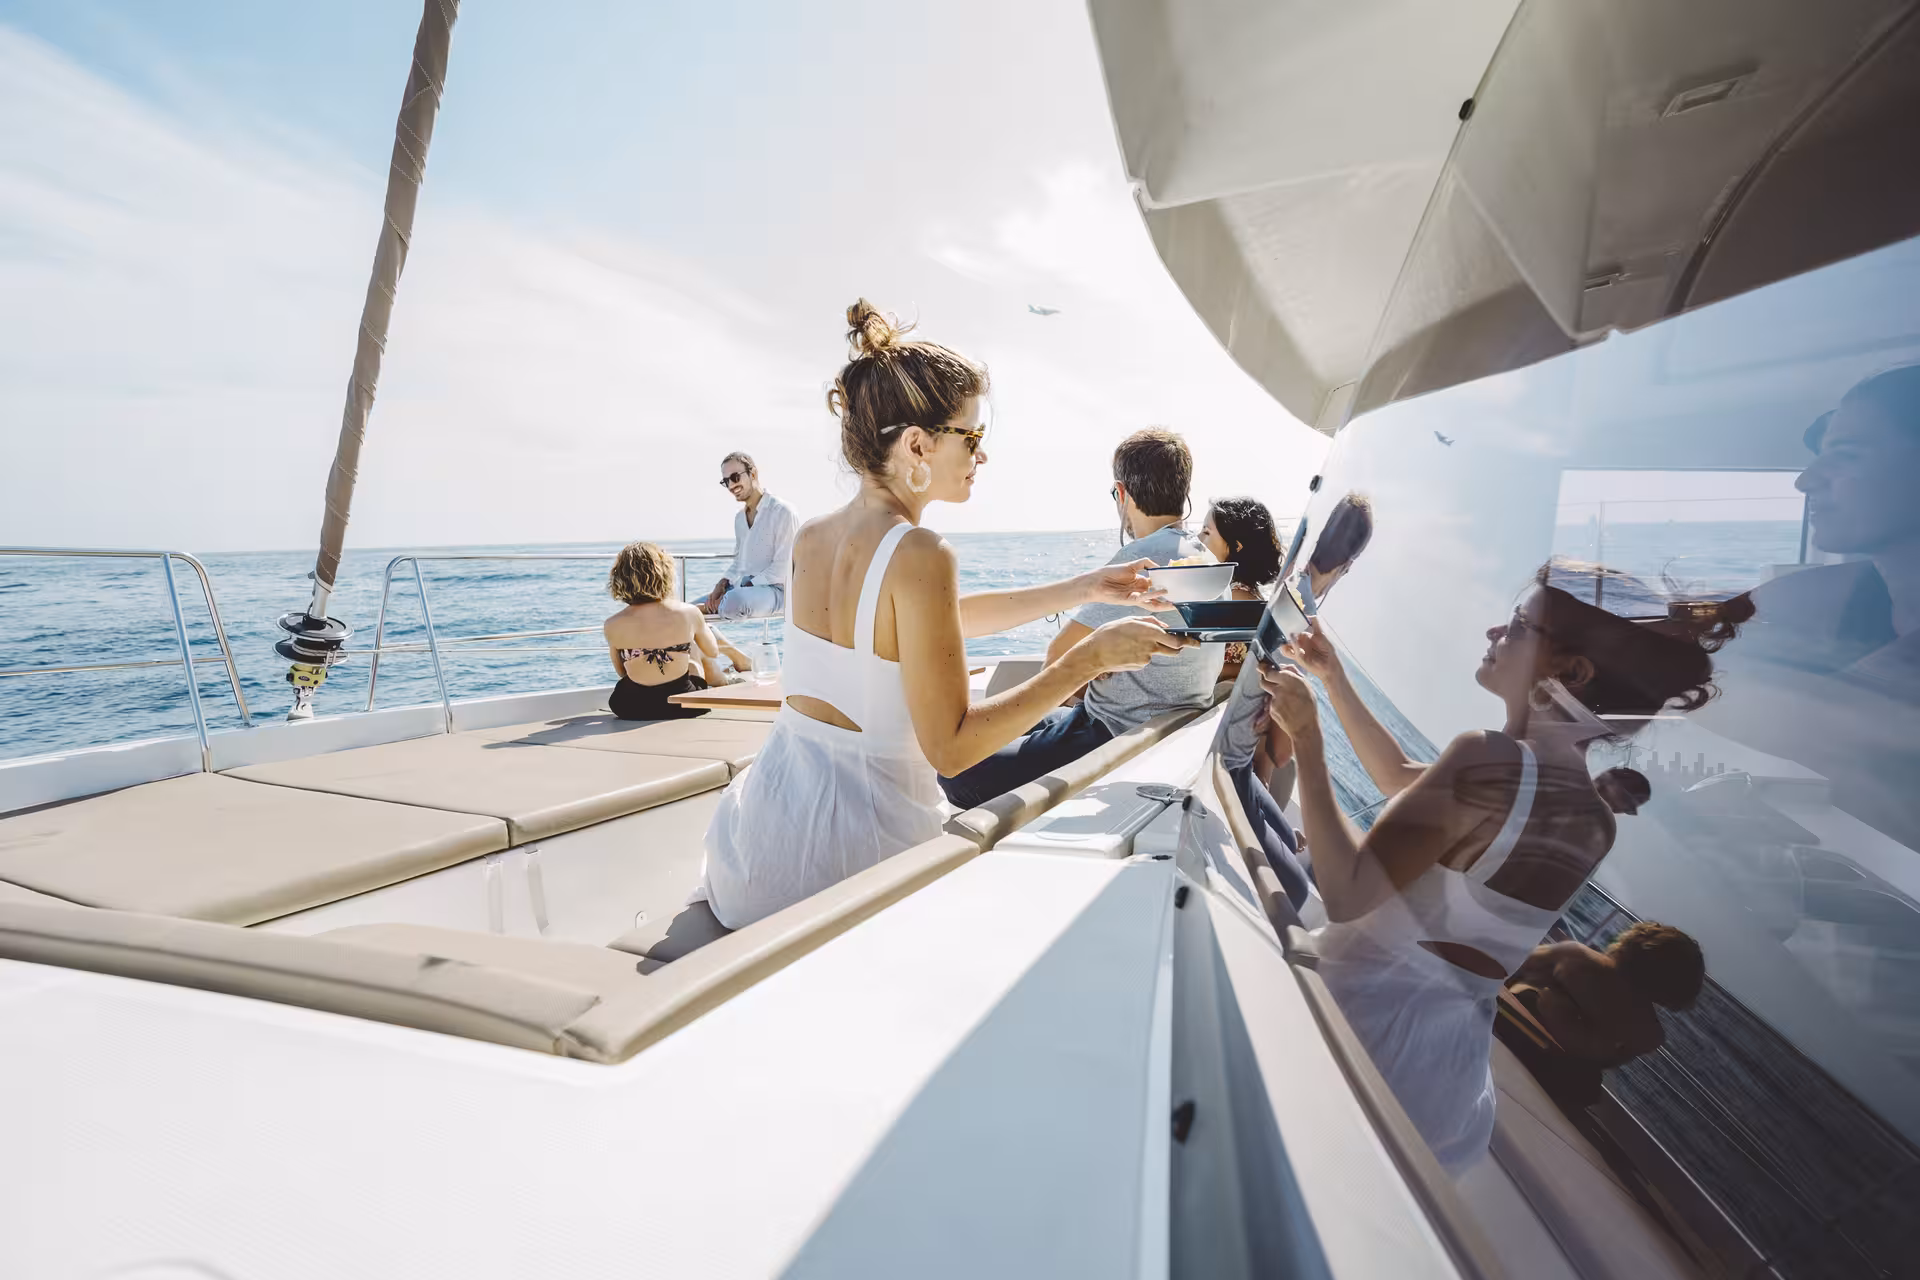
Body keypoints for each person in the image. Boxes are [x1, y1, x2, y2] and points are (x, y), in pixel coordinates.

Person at [699, 302, 1194, 928]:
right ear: (917, 445)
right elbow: (954, 750)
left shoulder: (813, 537)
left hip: (759, 847)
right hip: (847, 867)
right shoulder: (921, 552)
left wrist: (1083, 587)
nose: (981, 457)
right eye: (972, 437)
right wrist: (1090, 658)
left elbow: (921, 627)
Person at [1261, 566, 1746, 1170]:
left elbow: (1347, 894)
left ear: (1570, 672)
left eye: (1518, 627)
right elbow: (1401, 782)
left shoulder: (1485, 759)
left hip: (1358, 1038)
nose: (1496, 629)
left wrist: (1307, 738)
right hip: (1445, 1091)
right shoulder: (1594, 825)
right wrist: (1333, 680)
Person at [937, 428, 1225, 811]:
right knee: (1012, 723)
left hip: (1106, 730)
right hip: (1157, 724)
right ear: (1182, 492)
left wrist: (1095, 668)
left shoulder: (1143, 559)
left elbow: (1059, 656)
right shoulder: (1205, 561)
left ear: (1122, 494)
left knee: (954, 776)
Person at [1702, 363, 1920, 850]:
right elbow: (1691, 637)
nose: (1806, 480)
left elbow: (1841, 729)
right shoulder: (1825, 593)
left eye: (1845, 455)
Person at [1214, 491, 1377, 907]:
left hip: (1237, 759)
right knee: (1301, 889)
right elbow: (1283, 748)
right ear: (1348, 566)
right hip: (1230, 763)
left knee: (1291, 839)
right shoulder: (1303, 616)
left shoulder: (1289, 587)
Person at [1496, 922, 1705, 1113]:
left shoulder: (1576, 956)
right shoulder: (1651, 1036)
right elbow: (1606, 1061)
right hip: (1558, 1081)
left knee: (1529, 982)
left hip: (1517, 1029)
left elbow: (1514, 962)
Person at [603, 541, 722, 721]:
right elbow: (712, 652)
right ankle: (727, 681)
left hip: (632, 707)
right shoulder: (689, 613)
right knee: (693, 650)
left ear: (620, 578)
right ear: (664, 574)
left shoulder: (612, 623)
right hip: (683, 705)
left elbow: (621, 672)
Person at [702, 451, 799, 620]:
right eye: (726, 481)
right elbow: (739, 562)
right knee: (685, 607)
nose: (731, 485)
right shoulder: (739, 519)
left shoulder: (782, 511)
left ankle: (709, 608)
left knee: (733, 602)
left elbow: (783, 568)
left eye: (735, 477)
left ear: (753, 474)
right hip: (742, 588)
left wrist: (744, 586)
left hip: (777, 591)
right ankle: (715, 642)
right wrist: (722, 582)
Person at [1199, 497, 1283, 683]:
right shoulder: (1246, 592)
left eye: (1206, 532)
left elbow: (1211, 669)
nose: (1198, 540)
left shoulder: (1235, 598)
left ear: (1236, 546)